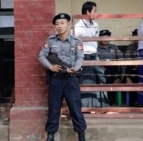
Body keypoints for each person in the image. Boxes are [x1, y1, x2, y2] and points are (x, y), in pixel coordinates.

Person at [39, 13, 86, 141]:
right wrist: (50, 67)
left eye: (62, 23)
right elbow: (41, 56)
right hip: (56, 79)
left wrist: (74, 69)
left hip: (71, 79)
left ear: (68, 24)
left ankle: (81, 135)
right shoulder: (50, 41)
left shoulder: (77, 41)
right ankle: (50, 136)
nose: (59, 26)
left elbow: (80, 57)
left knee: (75, 108)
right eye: (57, 24)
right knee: (54, 108)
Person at [74, 1, 109, 107]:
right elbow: (74, 43)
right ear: (88, 12)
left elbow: (95, 41)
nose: (96, 13)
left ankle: (102, 106)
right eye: (94, 11)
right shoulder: (78, 26)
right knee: (87, 81)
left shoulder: (96, 25)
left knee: (100, 78)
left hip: (95, 54)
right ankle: (86, 107)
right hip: (84, 56)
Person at [97, 29, 121, 105]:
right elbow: (96, 60)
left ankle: (111, 97)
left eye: (107, 37)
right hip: (103, 68)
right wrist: (101, 67)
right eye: (103, 37)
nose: (105, 39)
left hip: (114, 67)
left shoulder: (114, 47)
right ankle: (107, 98)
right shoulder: (97, 49)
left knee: (115, 75)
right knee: (105, 76)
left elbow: (120, 58)